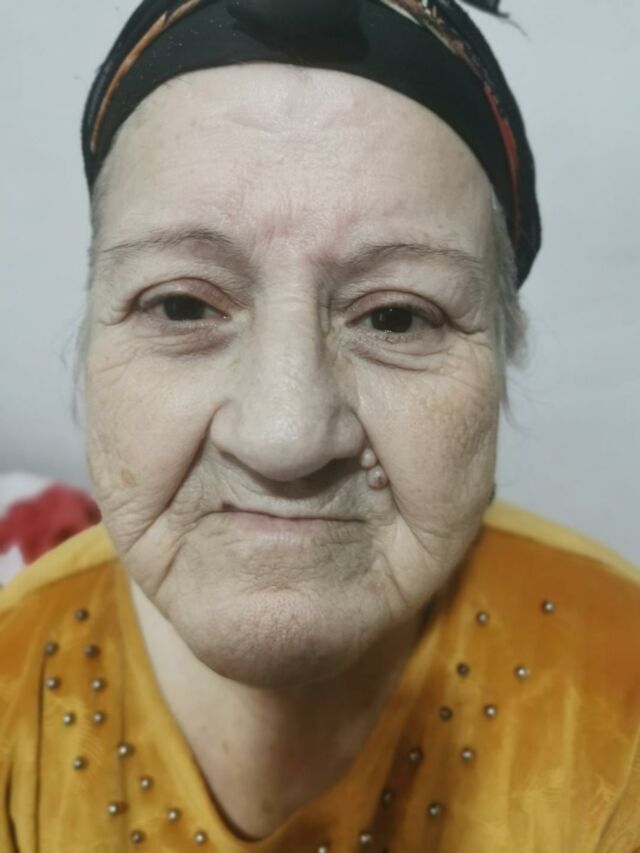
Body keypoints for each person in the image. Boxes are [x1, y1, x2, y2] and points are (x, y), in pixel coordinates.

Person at [1, 1, 638, 850]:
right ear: (88, 344)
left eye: (396, 318)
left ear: (505, 357)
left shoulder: (619, 691)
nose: (286, 435)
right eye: (183, 304)